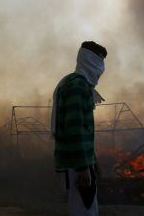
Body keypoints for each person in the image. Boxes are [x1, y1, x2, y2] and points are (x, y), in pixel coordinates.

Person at [50, 41, 107, 216]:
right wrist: (83, 168)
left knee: (84, 208)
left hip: (76, 163)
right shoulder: (79, 87)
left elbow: (82, 129)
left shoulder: (71, 82)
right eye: (100, 61)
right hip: (76, 165)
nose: (101, 69)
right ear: (91, 61)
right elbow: (75, 130)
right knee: (84, 211)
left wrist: (92, 160)